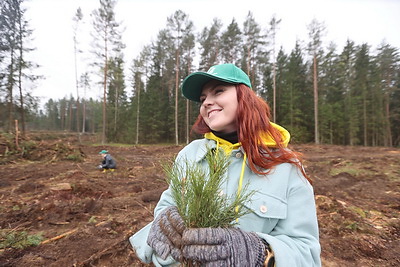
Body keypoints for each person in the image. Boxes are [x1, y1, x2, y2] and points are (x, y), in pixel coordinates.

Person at [129, 63, 321, 266]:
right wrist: (163, 223)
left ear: (244, 96)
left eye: (218, 91)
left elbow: (306, 253)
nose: (206, 103)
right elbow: (166, 207)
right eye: (203, 99)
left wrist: (260, 254)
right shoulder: (189, 155)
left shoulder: (285, 166)